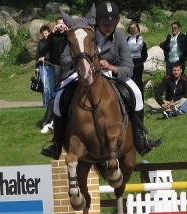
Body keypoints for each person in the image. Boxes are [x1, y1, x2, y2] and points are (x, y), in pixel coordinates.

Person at [42, 2, 162, 159]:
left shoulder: (118, 35)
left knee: (137, 93)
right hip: (81, 73)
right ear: (97, 22)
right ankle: (57, 143)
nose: (109, 27)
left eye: (112, 24)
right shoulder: (85, 32)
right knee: (58, 98)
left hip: (111, 74)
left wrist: (112, 67)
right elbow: (64, 58)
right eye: (105, 24)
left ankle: (140, 138)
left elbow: (128, 66)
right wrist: (80, 63)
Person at [39, 17, 69, 133]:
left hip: (68, 66)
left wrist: (66, 30)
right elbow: (45, 48)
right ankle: (50, 120)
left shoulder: (67, 34)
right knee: (56, 91)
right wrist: (52, 33)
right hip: (56, 65)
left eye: (62, 24)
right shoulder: (53, 36)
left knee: (65, 89)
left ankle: (56, 119)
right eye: (58, 25)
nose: (60, 26)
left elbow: (71, 41)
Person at [127, 21, 147, 98]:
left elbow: (136, 48)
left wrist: (127, 49)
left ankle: (141, 99)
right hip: (129, 61)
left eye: (134, 28)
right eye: (131, 28)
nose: (133, 30)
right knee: (130, 81)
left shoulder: (140, 38)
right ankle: (132, 98)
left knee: (138, 81)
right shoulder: (127, 38)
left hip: (137, 61)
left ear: (137, 28)